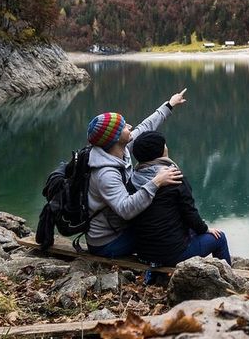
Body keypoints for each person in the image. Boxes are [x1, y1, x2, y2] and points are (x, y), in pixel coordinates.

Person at [85, 89, 187, 258]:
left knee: (165, 223)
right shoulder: (105, 174)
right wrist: (156, 182)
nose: (130, 126)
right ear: (116, 137)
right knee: (163, 232)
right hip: (107, 242)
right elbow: (126, 209)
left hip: (119, 227)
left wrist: (170, 104)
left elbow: (146, 126)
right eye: (124, 126)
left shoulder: (120, 149)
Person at [130, 130, 231, 269]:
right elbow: (189, 213)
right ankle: (229, 281)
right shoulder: (174, 178)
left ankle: (153, 274)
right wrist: (205, 229)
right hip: (171, 255)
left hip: (143, 253)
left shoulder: (133, 178)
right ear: (160, 151)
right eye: (164, 145)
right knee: (219, 238)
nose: (167, 147)